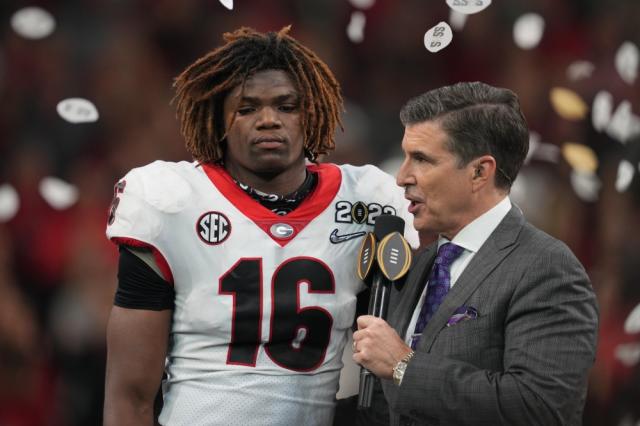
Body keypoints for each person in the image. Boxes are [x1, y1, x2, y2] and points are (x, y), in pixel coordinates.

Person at [103, 26, 418, 426]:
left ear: (313, 113)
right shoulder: (171, 200)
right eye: (247, 108)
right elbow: (128, 397)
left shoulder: (367, 199)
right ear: (219, 120)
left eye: (286, 106)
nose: (269, 120)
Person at [352, 82, 598, 426]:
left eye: (421, 159)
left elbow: (541, 408)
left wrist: (404, 366)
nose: (401, 176)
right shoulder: (416, 264)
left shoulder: (546, 267)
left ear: (480, 172)